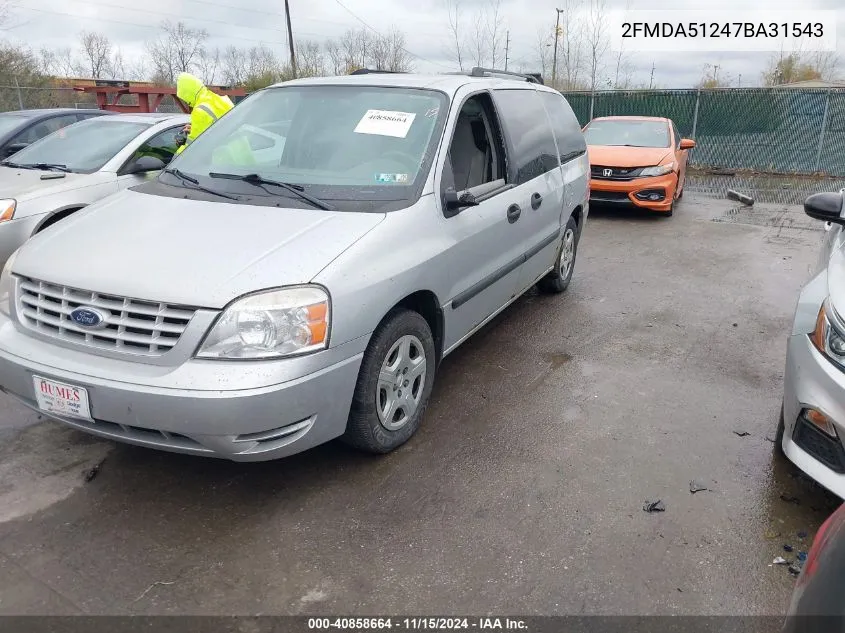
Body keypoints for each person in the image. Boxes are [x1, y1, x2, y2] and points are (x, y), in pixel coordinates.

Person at [174, 72, 234, 154]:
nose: (186, 102)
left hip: (225, 159)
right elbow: (222, 128)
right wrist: (196, 129)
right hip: (241, 152)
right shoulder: (220, 99)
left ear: (186, 93)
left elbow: (192, 149)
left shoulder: (200, 110)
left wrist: (175, 159)